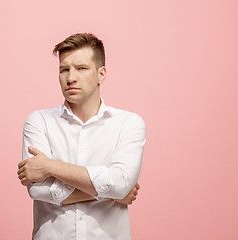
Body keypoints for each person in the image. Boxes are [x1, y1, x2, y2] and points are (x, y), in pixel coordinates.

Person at [18, 33, 146, 240]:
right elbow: (38, 190)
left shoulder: (129, 123)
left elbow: (121, 184)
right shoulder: (39, 121)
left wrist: (51, 167)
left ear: (101, 74)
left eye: (82, 68)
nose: (70, 78)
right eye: (64, 69)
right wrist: (111, 193)